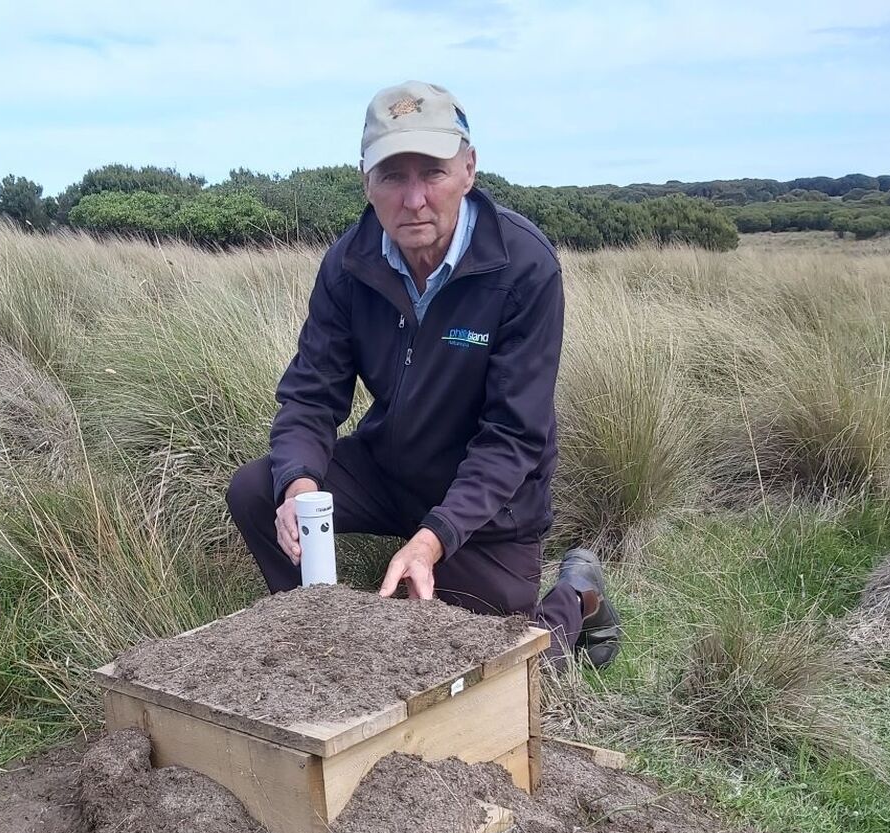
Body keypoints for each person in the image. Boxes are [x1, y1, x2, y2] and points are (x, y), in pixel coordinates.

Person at [226, 80, 621, 667]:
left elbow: (513, 437)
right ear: (366, 179)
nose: (413, 200)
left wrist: (435, 537)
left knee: (482, 663)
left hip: (490, 504)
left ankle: (579, 596)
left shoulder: (524, 266)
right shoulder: (349, 262)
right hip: (390, 469)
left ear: (468, 169)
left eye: (432, 172)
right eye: (392, 176)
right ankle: (316, 638)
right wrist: (299, 488)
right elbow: (311, 395)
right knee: (259, 490)